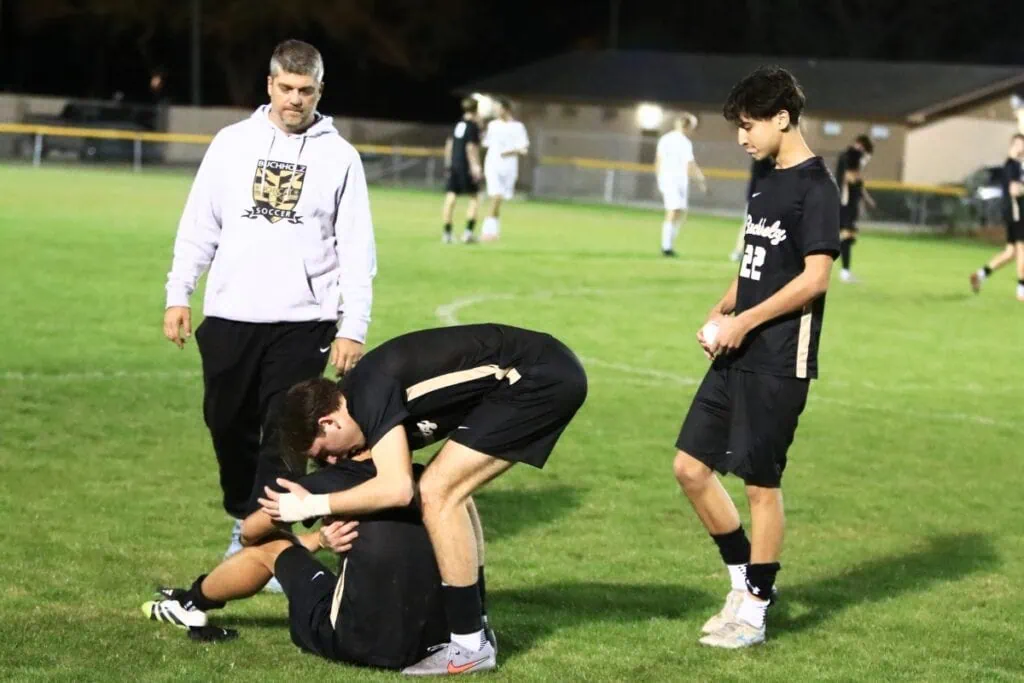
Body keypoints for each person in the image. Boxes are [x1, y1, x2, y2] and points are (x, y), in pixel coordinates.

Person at [162, 39, 377, 581]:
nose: (294, 100)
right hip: (232, 313)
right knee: (224, 419)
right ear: (270, 85)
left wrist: (354, 324)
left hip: (304, 321)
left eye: (306, 91)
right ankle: (244, 510)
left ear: (319, 92)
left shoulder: (340, 157)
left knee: (285, 432)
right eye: (286, 88)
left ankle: (260, 538)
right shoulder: (231, 144)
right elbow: (199, 225)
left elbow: (357, 249)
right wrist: (178, 292)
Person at [258, 323, 588, 674]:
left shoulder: (368, 394)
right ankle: (474, 629)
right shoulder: (362, 396)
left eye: (326, 453)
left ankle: (468, 645)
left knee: (437, 491)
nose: (333, 462)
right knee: (450, 489)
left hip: (535, 378)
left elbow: (398, 489)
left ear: (328, 423)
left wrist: (312, 505)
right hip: (539, 372)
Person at [672, 66, 840, 649]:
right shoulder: (764, 179)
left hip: (777, 357)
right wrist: (725, 307)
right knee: (690, 468)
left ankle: (756, 611)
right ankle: (743, 578)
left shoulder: (817, 187)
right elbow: (756, 257)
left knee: (760, 485)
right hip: (737, 347)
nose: (741, 137)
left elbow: (815, 279)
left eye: (748, 126)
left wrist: (744, 321)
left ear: (782, 118)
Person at [142, 456, 491, 671]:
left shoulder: (332, 480)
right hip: (443, 639)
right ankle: (475, 630)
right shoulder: (429, 479)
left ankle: (191, 603)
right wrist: (321, 540)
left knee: (270, 548)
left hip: (361, 642)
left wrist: (312, 512)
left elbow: (250, 533)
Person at [970, 133, 1024, 300]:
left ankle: (981, 275)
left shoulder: (1012, 165)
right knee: (1022, 250)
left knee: (1010, 252)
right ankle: (1022, 289)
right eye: (1019, 145)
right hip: (1017, 213)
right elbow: (1015, 190)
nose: (1021, 148)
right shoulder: (1013, 166)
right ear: (1012, 146)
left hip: (1011, 213)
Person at [655, 113, 706, 257]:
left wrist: (660, 179)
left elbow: (658, 160)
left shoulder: (665, 139)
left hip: (670, 180)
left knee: (679, 213)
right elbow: (689, 164)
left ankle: (668, 244)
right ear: (688, 126)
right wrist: (700, 179)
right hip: (676, 181)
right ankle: (666, 247)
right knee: (673, 211)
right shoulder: (684, 142)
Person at [480, 100, 529, 242]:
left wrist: (510, 152)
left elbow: (524, 149)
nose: (496, 111)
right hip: (493, 166)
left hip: (509, 168)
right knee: (496, 196)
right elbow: (486, 144)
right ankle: (487, 232)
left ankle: (494, 231)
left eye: (498, 109)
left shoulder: (518, 127)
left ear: (507, 109)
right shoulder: (493, 125)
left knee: (499, 199)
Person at [442, 97, 484, 244]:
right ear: (476, 109)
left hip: (454, 165)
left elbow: (449, 144)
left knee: (451, 197)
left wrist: (448, 163)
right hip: (466, 166)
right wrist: (475, 166)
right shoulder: (473, 126)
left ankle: (447, 234)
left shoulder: (457, 124)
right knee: (475, 198)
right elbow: (471, 147)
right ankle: (468, 233)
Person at [835, 134, 876, 283]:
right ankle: (845, 273)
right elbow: (848, 178)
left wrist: (866, 198)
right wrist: (845, 197)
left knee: (848, 237)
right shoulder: (850, 156)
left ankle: (845, 271)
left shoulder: (853, 157)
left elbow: (856, 180)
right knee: (845, 237)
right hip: (845, 205)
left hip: (849, 204)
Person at [730, 158, 774, 262]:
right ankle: (739, 252)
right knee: (750, 226)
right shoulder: (762, 162)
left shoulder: (761, 161)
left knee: (753, 226)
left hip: (756, 197)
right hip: (758, 197)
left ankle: (743, 252)